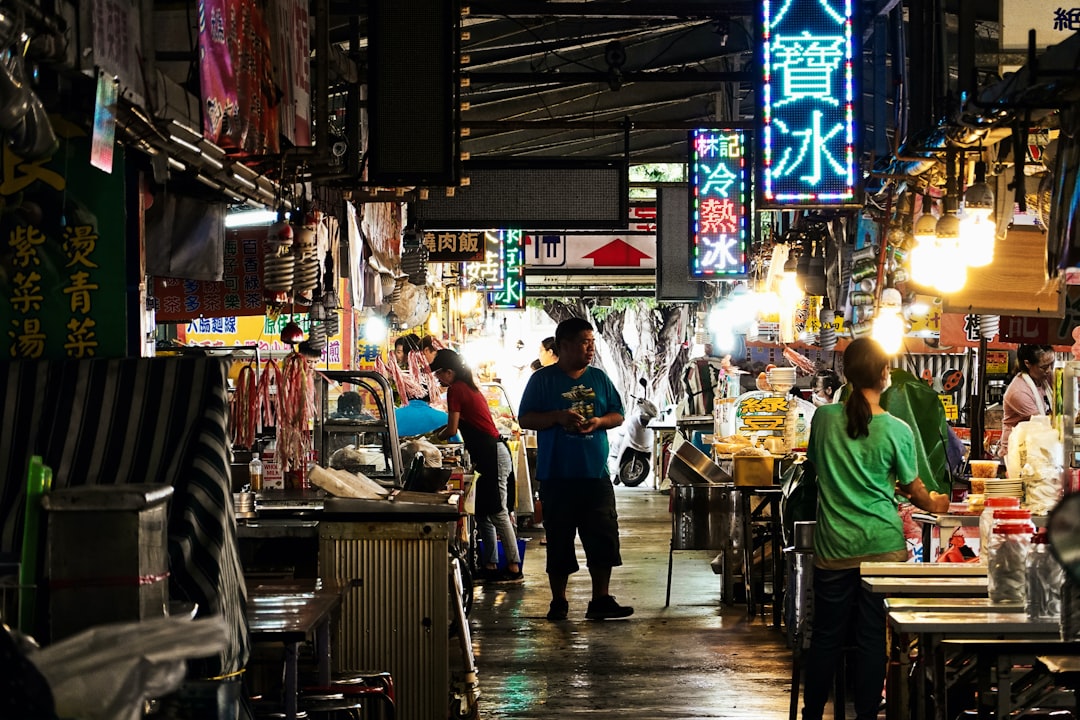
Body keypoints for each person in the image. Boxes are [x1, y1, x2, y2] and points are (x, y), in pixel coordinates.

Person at [801, 338, 949, 720]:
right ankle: (866, 716)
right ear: (885, 375)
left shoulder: (823, 419)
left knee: (826, 638)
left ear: (845, 375)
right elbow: (915, 491)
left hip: (835, 548)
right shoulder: (896, 429)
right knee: (871, 640)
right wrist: (937, 503)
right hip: (883, 547)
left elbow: (818, 468)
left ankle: (813, 713)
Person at [518, 317, 631, 621]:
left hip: (595, 474)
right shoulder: (542, 380)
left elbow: (617, 415)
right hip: (557, 476)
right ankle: (559, 601)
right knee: (559, 540)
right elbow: (525, 419)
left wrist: (599, 422)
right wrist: (557, 417)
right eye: (584, 342)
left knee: (602, 537)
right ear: (564, 345)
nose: (590, 348)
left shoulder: (599, 378)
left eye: (592, 342)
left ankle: (601, 599)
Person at [431, 349, 522, 582]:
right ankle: (490, 565)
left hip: (493, 454)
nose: (438, 379)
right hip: (488, 455)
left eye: (439, 374)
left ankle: (513, 566)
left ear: (449, 372)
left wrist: (433, 438)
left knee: (498, 511)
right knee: (482, 513)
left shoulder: (456, 389)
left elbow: (451, 430)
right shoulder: (468, 387)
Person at [999, 344, 1055, 458]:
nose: (1049, 370)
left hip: (1036, 446)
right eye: (1044, 367)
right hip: (1017, 452)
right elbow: (1042, 424)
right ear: (1027, 363)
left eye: (1052, 364)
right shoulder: (1019, 391)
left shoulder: (1046, 377)